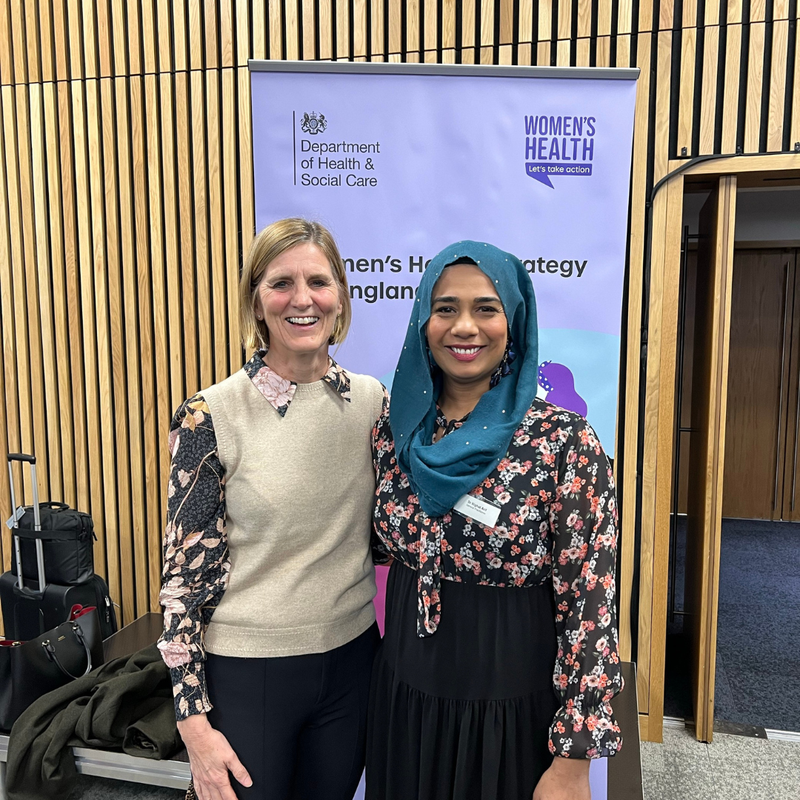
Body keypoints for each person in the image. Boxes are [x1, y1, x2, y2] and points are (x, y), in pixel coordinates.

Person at [366, 241, 623, 800]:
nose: (464, 327)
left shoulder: (563, 444)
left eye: (486, 308)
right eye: (445, 308)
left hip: (511, 707)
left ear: (515, 320)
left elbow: (591, 603)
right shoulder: (394, 433)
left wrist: (574, 756)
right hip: (405, 696)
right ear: (422, 322)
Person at [158, 218, 385, 800]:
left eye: (318, 281)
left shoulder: (372, 402)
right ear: (257, 301)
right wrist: (192, 722)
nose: (302, 299)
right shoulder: (210, 415)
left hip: (353, 662)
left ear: (340, 295)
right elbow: (183, 579)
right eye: (281, 283)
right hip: (248, 672)